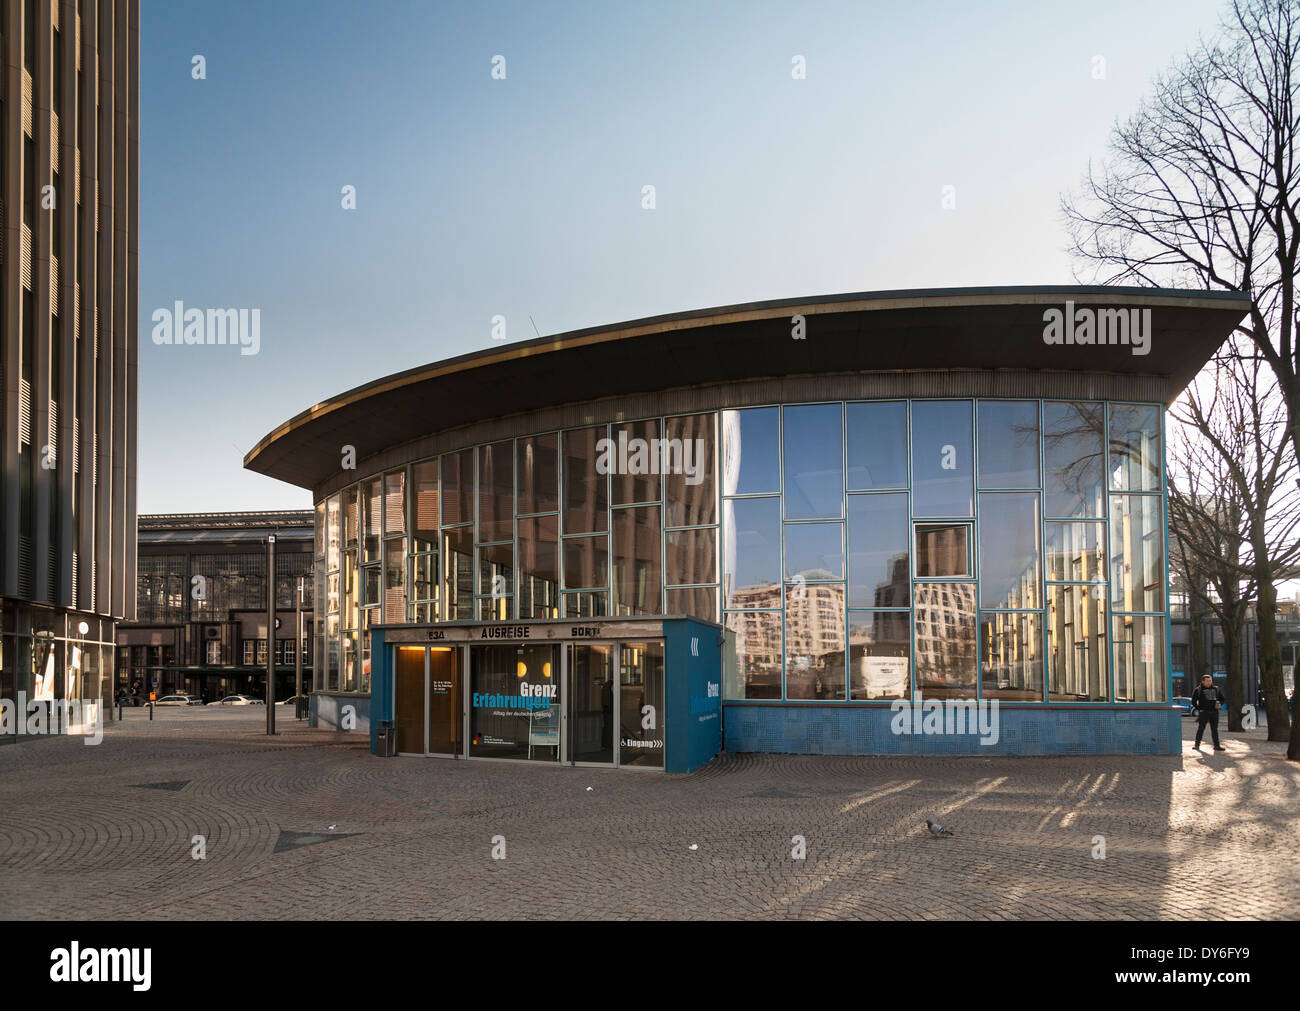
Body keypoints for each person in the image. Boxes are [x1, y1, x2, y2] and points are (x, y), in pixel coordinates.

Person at [1190, 674, 1226, 751]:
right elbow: (1193, 701)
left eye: (1210, 681)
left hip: (1214, 712)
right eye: (1207, 681)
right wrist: (1199, 709)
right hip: (1204, 713)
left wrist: (1220, 704)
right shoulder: (1198, 690)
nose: (1209, 682)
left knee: (1215, 730)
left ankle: (1217, 746)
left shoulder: (1216, 689)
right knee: (1201, 729)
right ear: (1203, 681)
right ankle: (1197, 745)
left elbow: (1223, 699)